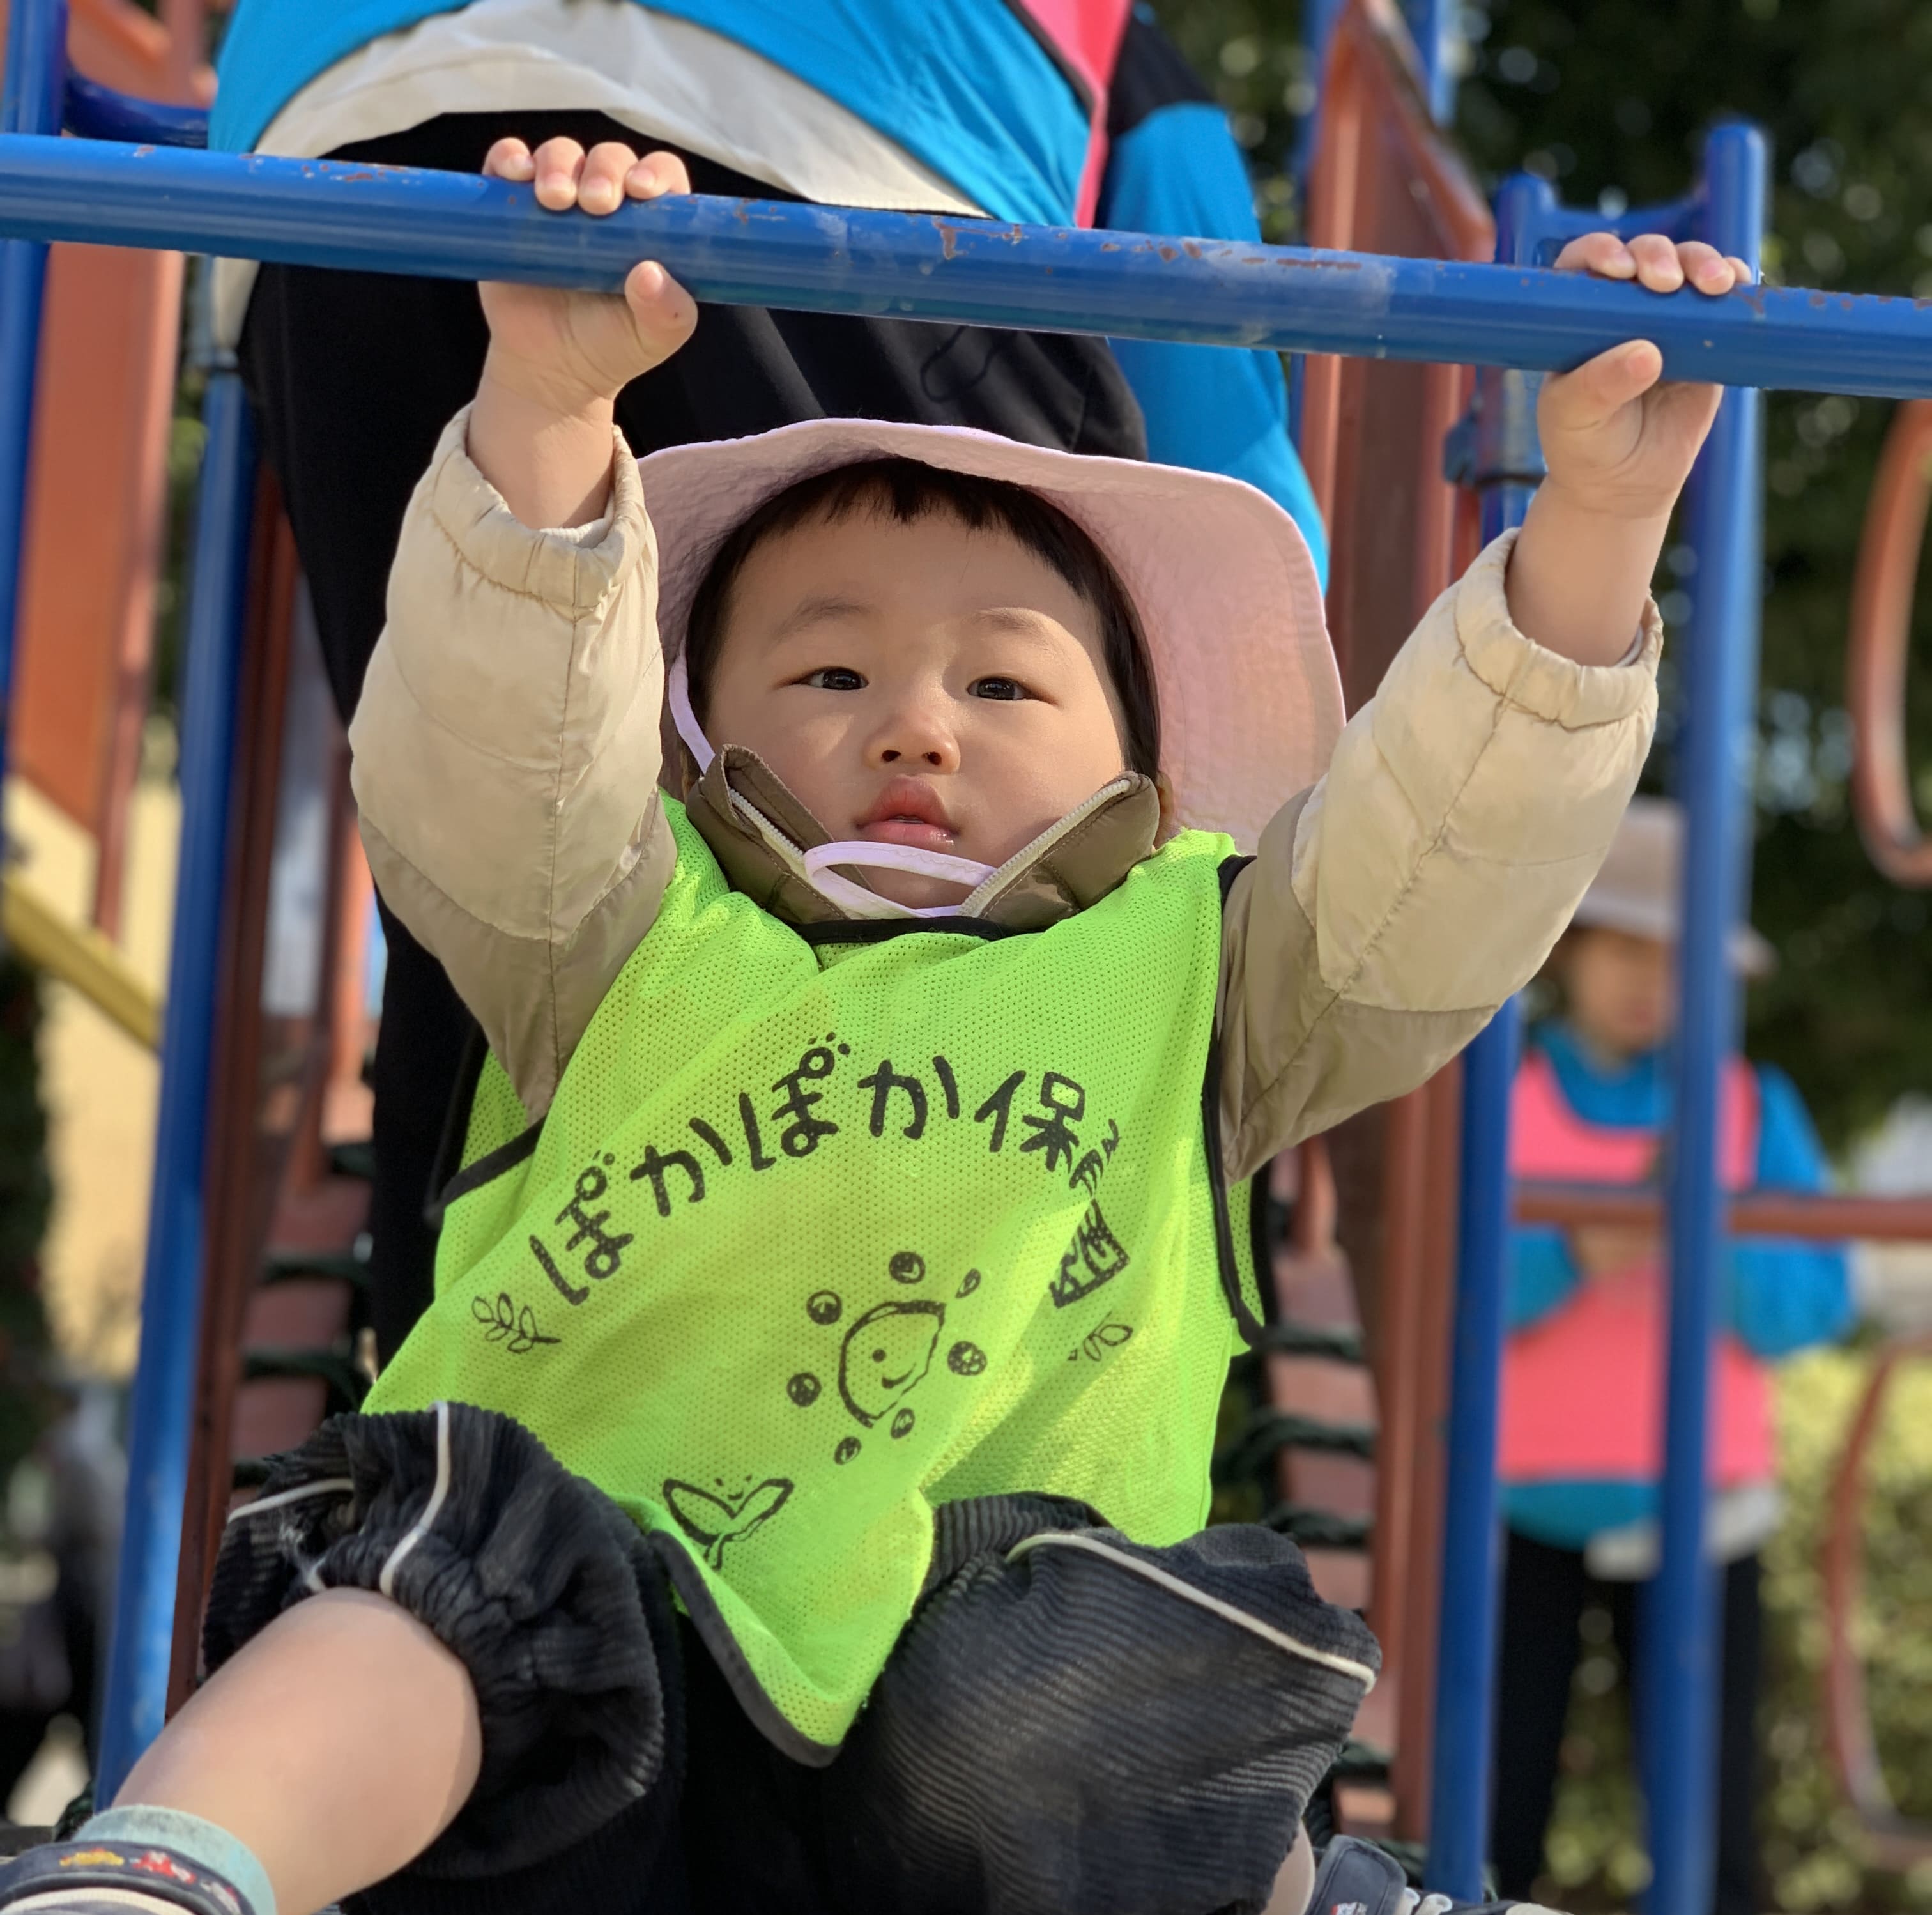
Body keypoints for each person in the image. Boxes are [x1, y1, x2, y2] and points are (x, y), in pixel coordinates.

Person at [0, 157, 1748, 1915]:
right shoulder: (619, 928)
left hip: (974, 1886)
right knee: (450, 1543)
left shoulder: (1211, 974)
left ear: (1142, 773)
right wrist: (548, 425)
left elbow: (1434, 871)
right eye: (827, 676)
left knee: (1087, 1648)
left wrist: (1593, 537)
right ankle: (153, 1905)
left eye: (1003, 684)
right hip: (565, 1816)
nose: (914, 726)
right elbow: (500, 761)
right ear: (695, 742)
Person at [215, 0, 1325, 1365]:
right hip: (864, 110)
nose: (920, 735)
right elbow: (1218, 393)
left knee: (494, 868)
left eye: (990, 692)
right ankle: (935, 1412)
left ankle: (469, 1412)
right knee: (982, 908)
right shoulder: (1142, 69)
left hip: (330, 118)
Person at [1492, 797, 1853, 1915]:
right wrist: (1575, 1249)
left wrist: (1705, 1226)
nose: (1650, 981)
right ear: (1565, 950)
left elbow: (1813, 1307)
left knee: (1708, 1818)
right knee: (1499, 1804)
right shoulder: (1503, 1092)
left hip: (1705, 1516)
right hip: (1521, 1510)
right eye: (1623, 946)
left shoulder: (1751, 1109)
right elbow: (1443, 1303)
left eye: (1675, 956)